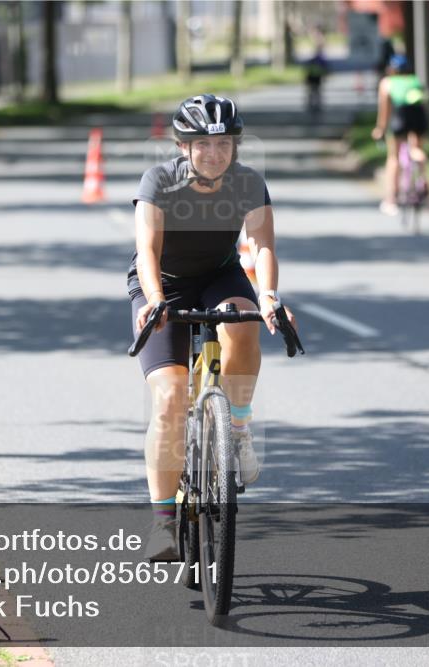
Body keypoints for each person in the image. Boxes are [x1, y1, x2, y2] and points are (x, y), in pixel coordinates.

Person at [128, 94, 296, 561]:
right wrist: (157, 302)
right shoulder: (158, 181)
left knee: (244, 327)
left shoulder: (246, 183)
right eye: (202, 144)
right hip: (163, 283)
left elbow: (261, 245)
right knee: (168, 399)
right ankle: (163, 522)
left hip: (220, 276)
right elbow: (148, 251)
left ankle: (237, 427)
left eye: (223, 143)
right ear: (183, 146)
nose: (214, 153)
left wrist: (268, 296)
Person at [372, 54, 429, 216]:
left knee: (394, 157)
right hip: (419, 118)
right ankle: (424, 178)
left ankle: (391, 199)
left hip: (400, 118)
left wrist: (380, 129)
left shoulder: (387, 83)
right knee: (417, 149)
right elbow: (424, 104)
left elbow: (385, 110)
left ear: (392, 69)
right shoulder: (415, 81)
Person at [305, 35, 327, 119]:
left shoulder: (315, 59)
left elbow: (308, 68)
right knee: (315, 92)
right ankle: (314, 104)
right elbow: (325, 68)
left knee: (314, 91)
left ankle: (312, 104)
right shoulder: (321, 59)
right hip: (315, 77)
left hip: (314, 77)